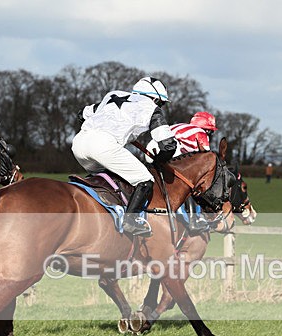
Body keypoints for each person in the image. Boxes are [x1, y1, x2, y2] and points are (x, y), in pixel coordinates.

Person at [72, 76, 177, 237]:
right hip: (104, 146)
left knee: (108, 176)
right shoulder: (151, 108)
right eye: (161, 103)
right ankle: (130, 221)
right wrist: (159, 160)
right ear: (155, 98)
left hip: (78, 143)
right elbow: (168, 145)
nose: (161, 106)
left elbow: (82, 113)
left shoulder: (113, 95)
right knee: (145, 180)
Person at [147, 111, 219, 232]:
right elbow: (207, 159)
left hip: (151, 150)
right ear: (206, 130)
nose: (210, 135)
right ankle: (194, 220)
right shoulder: (200, 133)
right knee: (191, 185)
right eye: (210, 132)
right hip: (169, 153)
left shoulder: (180, 126)